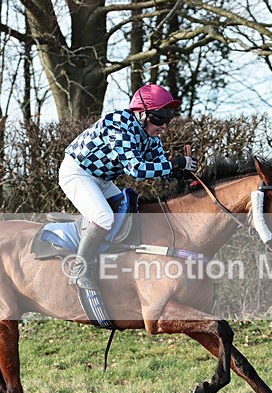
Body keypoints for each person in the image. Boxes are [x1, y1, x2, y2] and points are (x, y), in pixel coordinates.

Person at [59, 84, 198, 290]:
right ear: (141, 114)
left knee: (130, 217)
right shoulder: (118, 123)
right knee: (104, 217)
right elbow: (137, 170)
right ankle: (79, 270)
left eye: (167, 120)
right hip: (77, 173)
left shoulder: (150, 137)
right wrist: (175, 164)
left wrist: (180, 174)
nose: (164, 126)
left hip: (102, 180)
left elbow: (161, 167)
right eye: (159, 119)